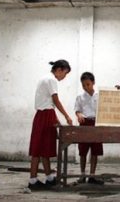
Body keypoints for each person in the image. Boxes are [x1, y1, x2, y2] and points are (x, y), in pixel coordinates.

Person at [28, 60, 73, 190]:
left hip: (44, 115)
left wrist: (56, 120)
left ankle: (49, 178)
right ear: (59, 69)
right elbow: (55, 100)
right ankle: (33, 180)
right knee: (38, 149)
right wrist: (66, 116)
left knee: (43, 149)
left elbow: (49, 103)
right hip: (45, 115)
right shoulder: (51, 80)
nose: (64, 77)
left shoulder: (44, 78)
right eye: (65, 73)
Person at [75, 72, 104, 185]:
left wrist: (118, 91)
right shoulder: (80, 97)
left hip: (96, 124)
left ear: (93, 83)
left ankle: (92, 175)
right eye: (83, 85)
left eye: (88, 84)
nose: (86, 87)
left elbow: (110, 101)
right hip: (84, 124)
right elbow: (77, 110)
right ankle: (82, 175)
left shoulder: (100, 96)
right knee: (83, 151)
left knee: (95, 151)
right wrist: (79, 115)